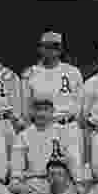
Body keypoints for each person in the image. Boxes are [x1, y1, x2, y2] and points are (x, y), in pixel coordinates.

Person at [9, 93, 84, 194]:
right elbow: (16, 169)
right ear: (32, 112)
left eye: (45, 109)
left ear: (52, 111)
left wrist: (78, 183)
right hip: (33, 183)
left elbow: (73, 162)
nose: (41, 114)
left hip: (59, 182)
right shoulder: (23, 136)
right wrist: (18, 184)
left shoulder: (64, 132)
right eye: (38, 110)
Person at [21, 32, 84, 162]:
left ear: (60, 50)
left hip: (68, 125)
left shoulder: (73, 72)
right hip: (43, 126)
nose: (51, 51)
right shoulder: (31, 73)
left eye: (55, 47)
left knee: (74, 168)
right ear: (40, 49)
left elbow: (80, 103)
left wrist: (74, 123)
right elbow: (26, 107)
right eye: (46, 47)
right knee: (44, 167)